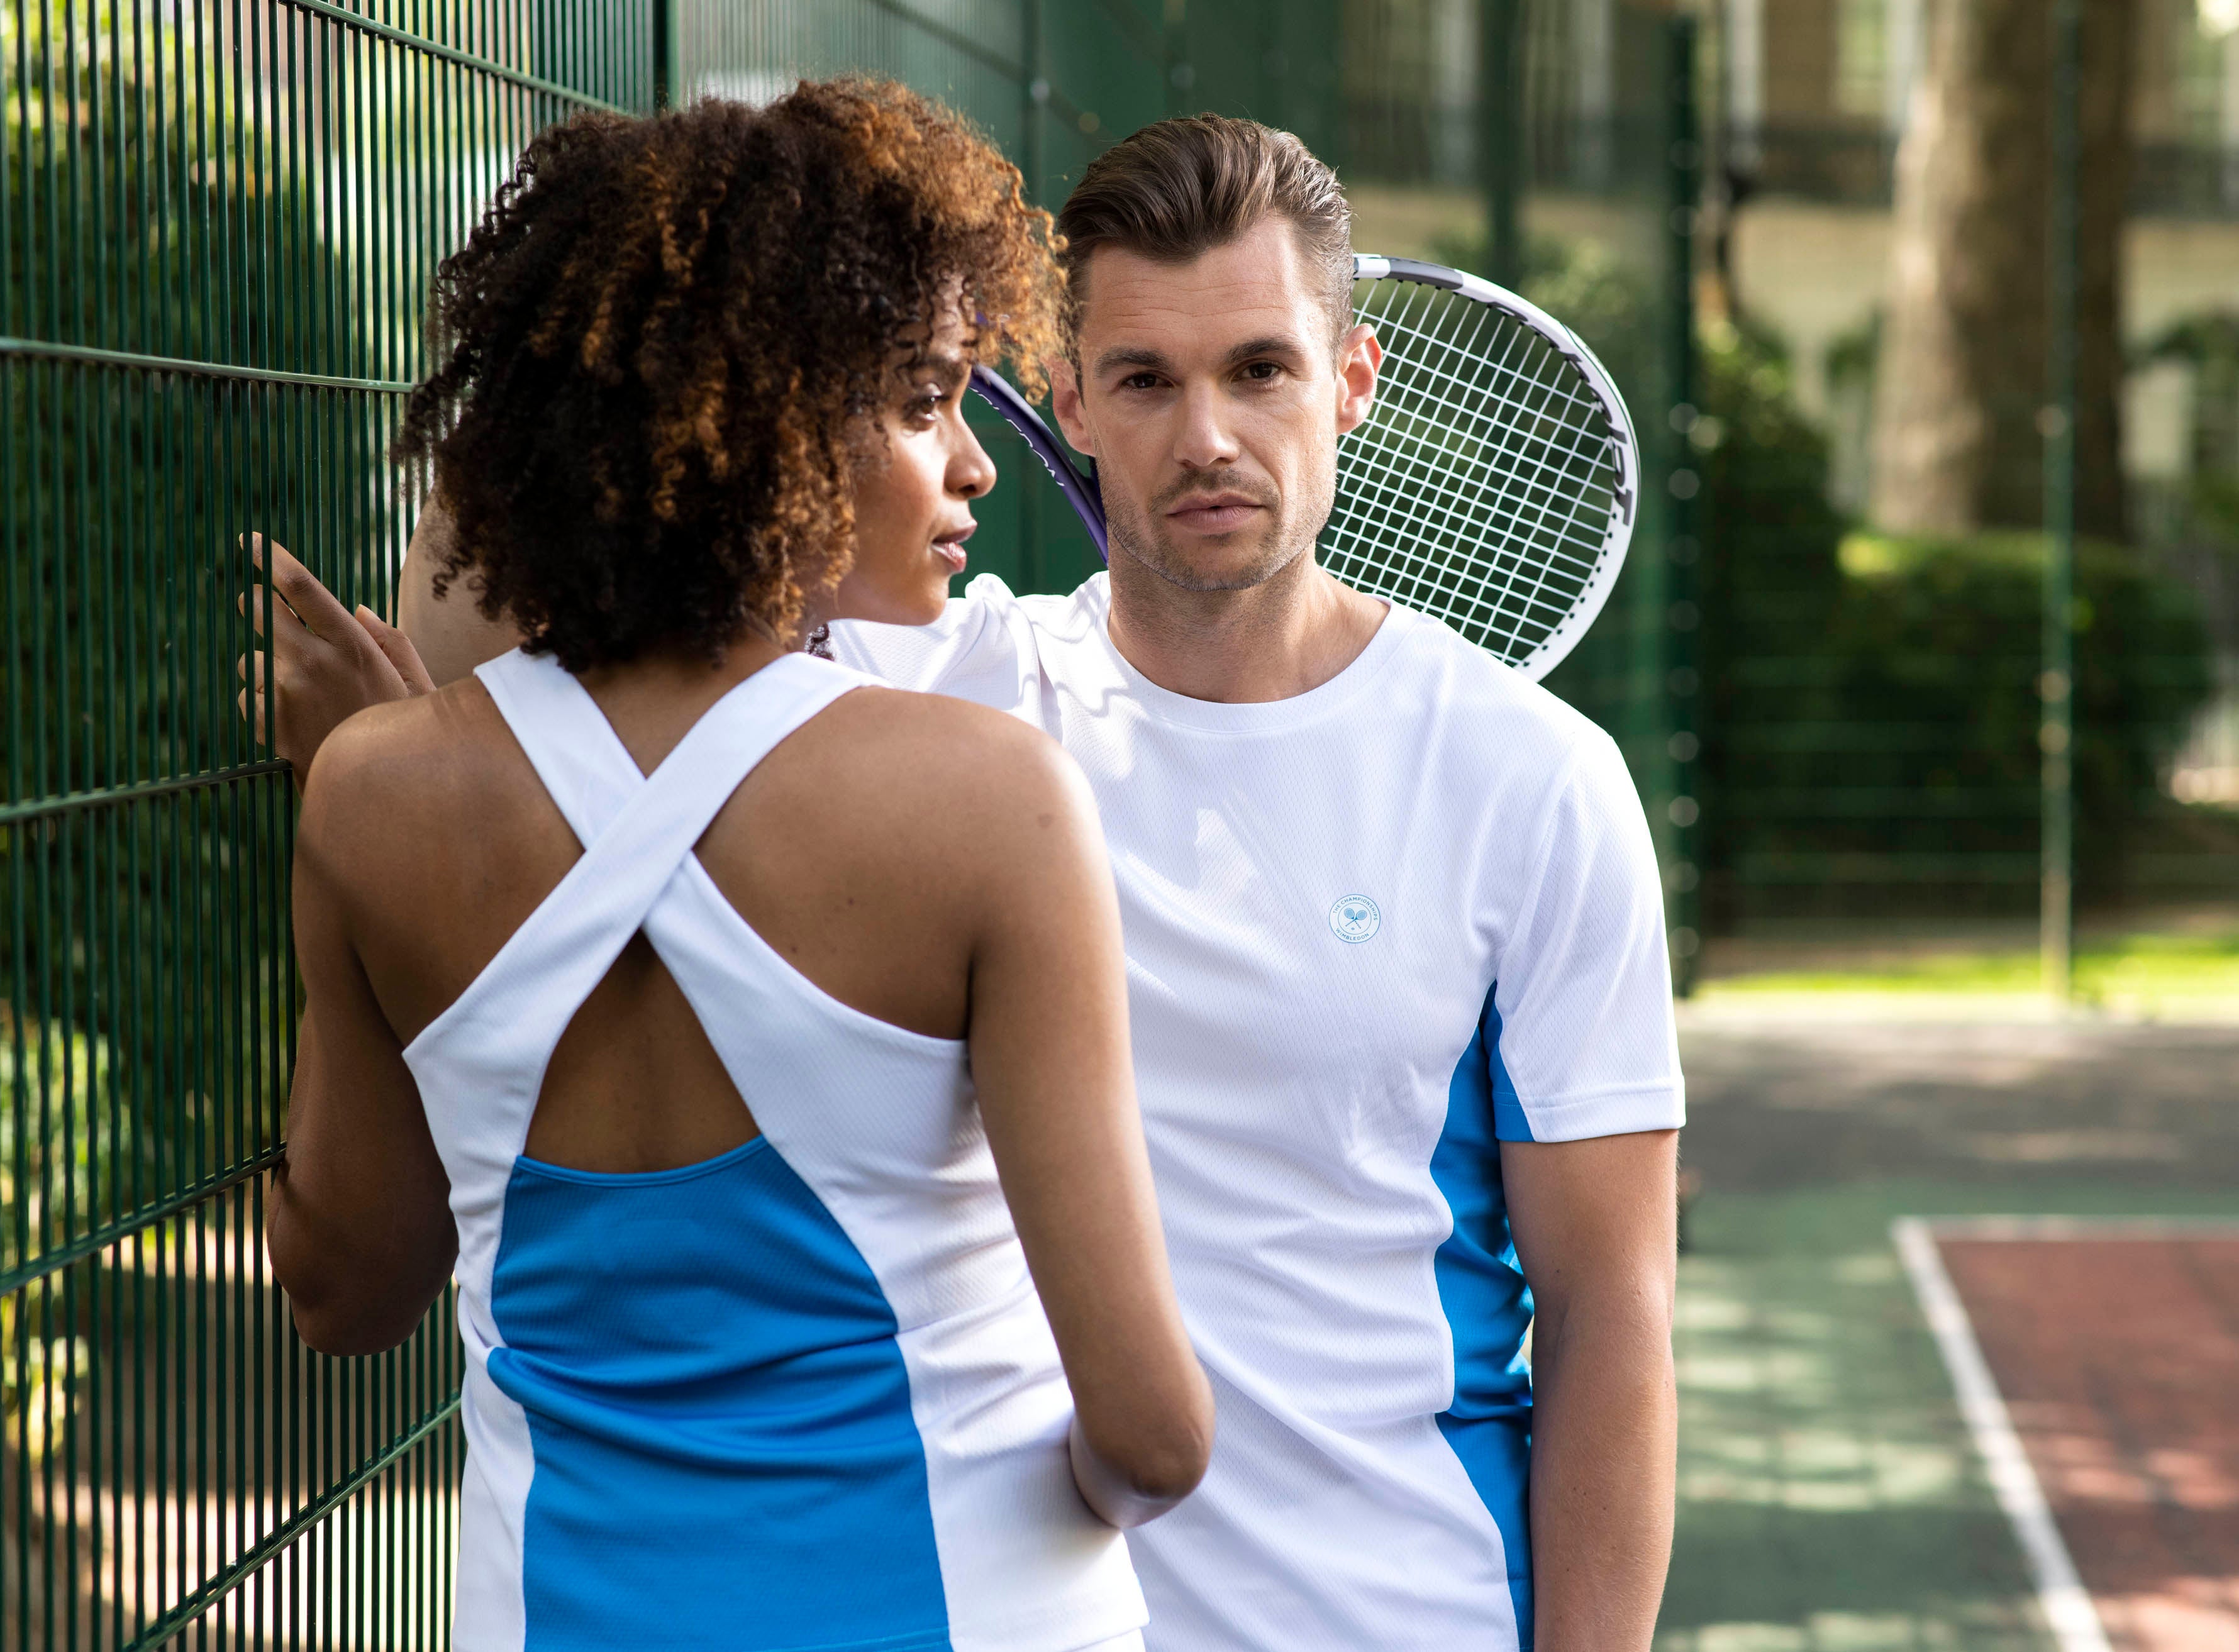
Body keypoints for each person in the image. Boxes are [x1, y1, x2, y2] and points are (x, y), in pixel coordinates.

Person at [257, 114, 1680, 1652]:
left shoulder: (1536, 783)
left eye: (1259, 369)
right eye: (1142, 379)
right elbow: (529, 578)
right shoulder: (939, 692)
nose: (1205, 434)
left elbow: (1610, 1327)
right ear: (1066, 400)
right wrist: (663, 282)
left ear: (1348, 381)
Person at [259, 80, 1211, 1652]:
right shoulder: (990, 807)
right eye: (922, 401)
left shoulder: (371, 798)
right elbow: (1155, 1436)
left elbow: (346, 1293)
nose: (973, 467)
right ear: (763, 417)